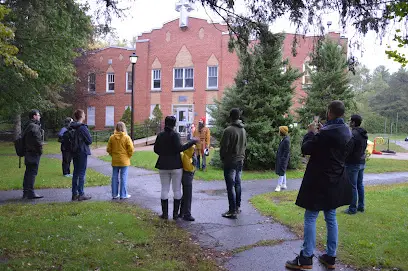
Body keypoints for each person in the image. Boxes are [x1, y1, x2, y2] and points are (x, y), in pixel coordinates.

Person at [286, 101, 352, 270]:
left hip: (319, 180)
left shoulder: (324, 133)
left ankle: (306, 257)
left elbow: (306, 148)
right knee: (331, 216)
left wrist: (310, 133)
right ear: (342, 114)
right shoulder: (346, 131)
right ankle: (330, 256)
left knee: (311, 217)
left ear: (329, 112)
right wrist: (320, 132)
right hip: (335, 179)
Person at [154, 116, 197, 220]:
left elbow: (156, 149)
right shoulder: (175, 135)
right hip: (176, 165)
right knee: (177, 189)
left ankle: (164, 214)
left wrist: (163, 154)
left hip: (163, 165)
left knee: (164, 189)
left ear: (165, 123)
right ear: (174, 124)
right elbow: (180, 148)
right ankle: (175, 215)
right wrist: (192, 142)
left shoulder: (160, 135)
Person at [220, 108, 247, 219]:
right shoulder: (243, 130)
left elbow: (224, 148)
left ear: (230, 116)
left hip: (231, 161)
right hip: (240, 160)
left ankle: (232, 210)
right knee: (238, 184)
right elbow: (245, 145)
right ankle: (237, 207)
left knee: (230, 186)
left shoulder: (228, 130)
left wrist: (223, 158)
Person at [344, 114, 368, 214]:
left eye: (350, 121)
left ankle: (352, 208)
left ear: (353, 122)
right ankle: (361, 206)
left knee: (352, 186)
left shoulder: (353, 134)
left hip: (353, 163)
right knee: (359, 185)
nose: (349, 122)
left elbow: (349, 148)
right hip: (362, 161)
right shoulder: (363, 134)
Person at [107, 122, 134, 199]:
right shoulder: (126, 137)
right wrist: (128, 156)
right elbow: (131, 149)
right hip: (124, 160)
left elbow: (108, 149)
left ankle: (114, 194)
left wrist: (113, 155)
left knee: (114, 177)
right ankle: (123, 194)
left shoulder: (112, 137)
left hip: (115, 160)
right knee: (123, 177)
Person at [70, 109, 92, 201]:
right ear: (81, 116)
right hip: (82, 151)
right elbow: (89, 140)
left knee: (75, 173)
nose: (85, 115)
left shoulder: (72, 127)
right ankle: (81, 193)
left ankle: (74, 194)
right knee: (82, 173)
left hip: (74, 151)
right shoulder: (82, 128)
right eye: (84, 114)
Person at [22, 109, 44, 199]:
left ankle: (26, 192)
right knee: (32, 173)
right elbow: (37, 140)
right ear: (34, 116)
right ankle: (31, 193)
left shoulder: (27, 125)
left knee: (28, 172)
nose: (39, 117)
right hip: (33, 152)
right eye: (38, 115)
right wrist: (40, 150)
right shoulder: (34, 126)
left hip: (28, 151)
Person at [179, 144, 197, 221]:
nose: (195, 152)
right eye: (194, 150)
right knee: (188, 196)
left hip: (187, 176)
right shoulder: (186, 157)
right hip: (187, 176)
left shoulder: (187, 156)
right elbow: (189, 168)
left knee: (186, 195)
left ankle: (182, 212)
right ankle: (187, 214)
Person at [275, 126, 290, 192]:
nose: (278, 132)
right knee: (283, 171)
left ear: (282, 132)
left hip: (283, 159)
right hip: (281, 158)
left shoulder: (286, 140)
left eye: (279, 131)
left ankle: (279, 185)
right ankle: (284, 184)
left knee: (281, 171)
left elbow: (286, 151)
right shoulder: (284, 139)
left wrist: (283, 159)